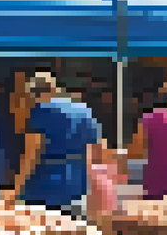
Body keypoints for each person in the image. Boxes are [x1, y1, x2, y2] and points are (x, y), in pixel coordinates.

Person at [11, 72, 103, 215]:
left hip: (45, 188)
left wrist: (15, 190)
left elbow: (32, 154)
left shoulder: (40, 111)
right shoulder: (85, 111)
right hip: (78, 185)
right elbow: (96, 151)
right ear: (54, 88)